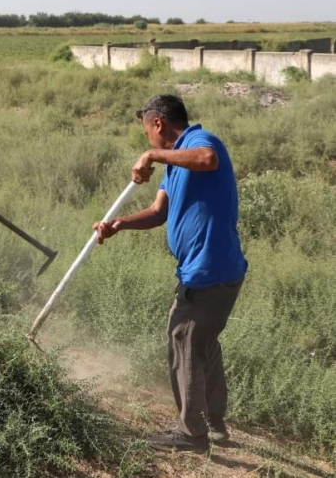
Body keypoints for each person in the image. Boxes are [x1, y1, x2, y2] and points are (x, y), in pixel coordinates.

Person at [93, 94, 247, 453]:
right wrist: (119, 224)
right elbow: (158, 211)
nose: (147, 138)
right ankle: (213, 423)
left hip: (209, 270)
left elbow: (208, 159)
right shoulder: (175, 166)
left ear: (158, 123)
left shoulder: (200, 142)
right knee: (201, 344)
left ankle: (191, 434)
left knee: (185, 341)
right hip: (201, 268)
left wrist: (152, 155)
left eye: (147, 131)